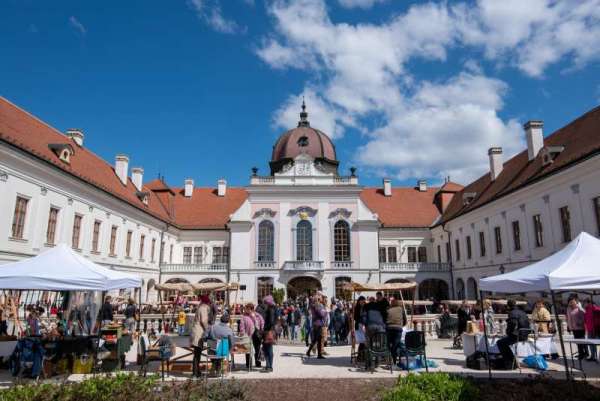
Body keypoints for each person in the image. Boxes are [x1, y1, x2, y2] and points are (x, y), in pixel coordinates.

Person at [496, 299, 530, 369]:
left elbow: (512, 324)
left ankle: (510, 363)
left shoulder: (512, 313)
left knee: (500, 342)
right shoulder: (522, 312)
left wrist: (508, 333)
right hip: (525, 334)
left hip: (519, 335)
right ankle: (512, 362)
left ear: (508, 306)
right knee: (504, 342)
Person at [190, 295, 211, 377]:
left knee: (197, 353)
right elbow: (203, 321)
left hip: (196, 332)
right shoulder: (203, 308)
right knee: (197, 353)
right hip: (199, 333)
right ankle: (195, 373)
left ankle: (197, 371)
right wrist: (208, 330)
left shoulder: (200, 307)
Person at [239, 302, 264, 369]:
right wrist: (243, 333)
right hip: (248, 334)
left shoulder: (258, 315)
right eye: (246, 309)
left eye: (247, 309)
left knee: (257, 349)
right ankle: (248, 364)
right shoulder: (244, 316)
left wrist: (253, 317)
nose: (246, 310)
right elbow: (242, 326)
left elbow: (262, 323)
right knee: (248, 349)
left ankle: (258, 363)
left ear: (252, 309)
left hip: (257, 334)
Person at [386, 298, 405, 365]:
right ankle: (394, 361)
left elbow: (385, 318)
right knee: (395, 345)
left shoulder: (388, 309)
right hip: (398, 329)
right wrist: (401, 325)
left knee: (388, 344)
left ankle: (389, 359)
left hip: (389, 328)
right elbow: (405, 319)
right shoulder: (401, 309)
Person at [262, 295, 276, 371]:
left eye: (265, 302)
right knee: (267, 348)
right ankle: (268, 365)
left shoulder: (270, 309)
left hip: (268, 331)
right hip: (270, 330)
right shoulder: (271, 309)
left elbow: (271, 322)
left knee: (268, 349)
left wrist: (264, 327)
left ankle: (269, 366)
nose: (264, 304)